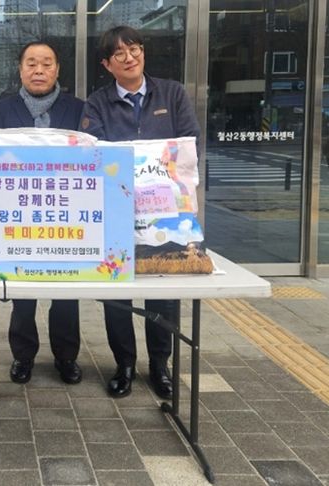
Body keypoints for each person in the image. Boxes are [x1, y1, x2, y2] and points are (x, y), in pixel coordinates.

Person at [79, 25, 200, 399]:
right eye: (119, 53)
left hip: (166, 210)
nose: (129, 57)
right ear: (107, 64)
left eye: (134, 49)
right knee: (116, 289)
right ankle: (124, 365)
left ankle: (160, 365)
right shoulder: (96, 103)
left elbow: (189, 146)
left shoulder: (172, 93)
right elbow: (94, 155)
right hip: (116, 211)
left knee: (162, 289)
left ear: (143, 52)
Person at [0, 40, 84, 385]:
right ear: (20, 69)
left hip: (67, 212)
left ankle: (66, 356)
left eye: (46, 63)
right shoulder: (3, 110)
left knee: (67, 291)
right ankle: (23, 356)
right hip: (19, 212)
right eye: (31, 63)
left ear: (57, 69)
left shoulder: (78, 109)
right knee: (22, 292)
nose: (39, 70)